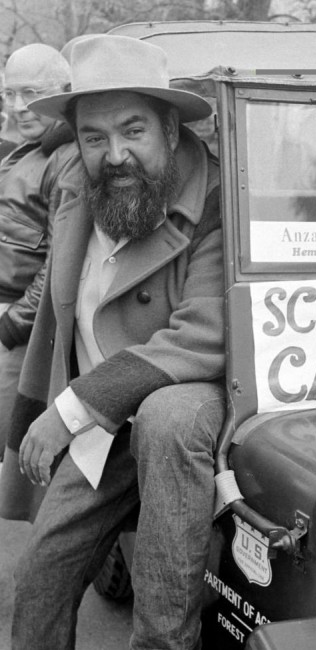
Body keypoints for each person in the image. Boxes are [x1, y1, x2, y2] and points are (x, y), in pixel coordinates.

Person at [3, 34, 225, 650]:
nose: (116, 154)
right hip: (102, 429)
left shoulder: (212, 200)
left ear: (170, 131)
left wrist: (72, 408)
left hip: (159, 412)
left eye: (133, 131)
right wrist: (39, 411)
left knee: (170, 417)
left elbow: (203, 336)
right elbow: (54, 320)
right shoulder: (77, 187)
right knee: (39, 577)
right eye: (95, 137)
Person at [0, 43, 77, 459]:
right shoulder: (28, 149)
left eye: (31, 93)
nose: (17, 106)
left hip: (17, 332)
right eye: (9, 94)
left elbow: (60, 261)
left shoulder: (67, 157)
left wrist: (11, 325)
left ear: (64, 92)